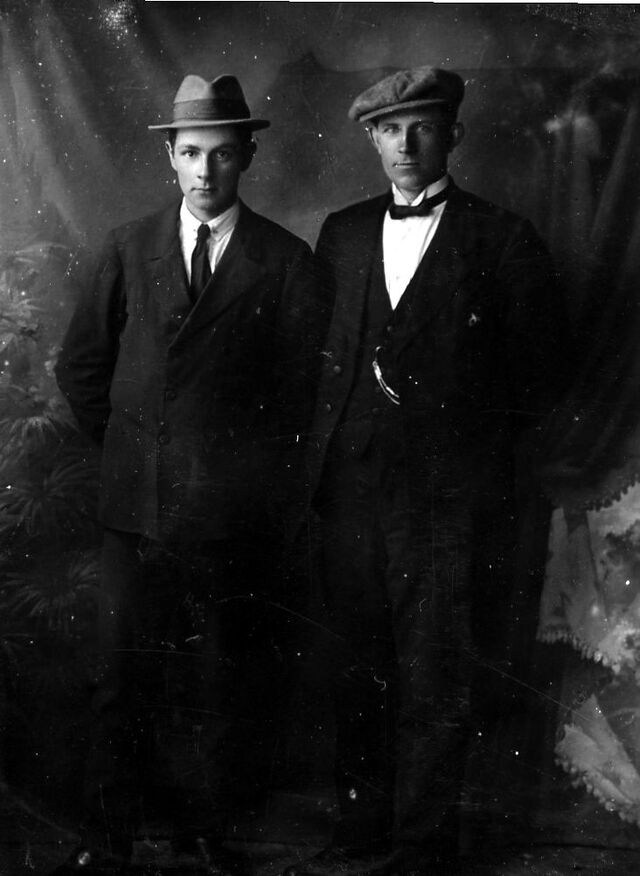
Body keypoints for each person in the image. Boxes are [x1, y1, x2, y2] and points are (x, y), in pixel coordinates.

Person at [291, 67, 568, 875]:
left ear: (453, 135)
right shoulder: (342, 232)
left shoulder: (502, 238)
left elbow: (543, 377)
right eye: (389, 129)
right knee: (357, 665)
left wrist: (464, 434)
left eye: (422, 127)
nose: (405, 144)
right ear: (372, 140)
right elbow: (319, 360)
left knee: (436, 672)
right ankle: (358, 834)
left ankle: (421, 851)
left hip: (448, 498)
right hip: (350, 490)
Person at [54, 73, 324, 874]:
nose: (206, 171)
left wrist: (229, 474)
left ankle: (206, 833)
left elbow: (300, 400)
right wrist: (137, 454)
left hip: (226, 514)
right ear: (170, 156)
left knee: (215, 681)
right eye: (192, 153)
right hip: (134, 508)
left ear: (247, 158)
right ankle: (108, 839)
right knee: (119, 677)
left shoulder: (284, 260)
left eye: (223, 154)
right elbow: (82, 368)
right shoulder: (127, 247)